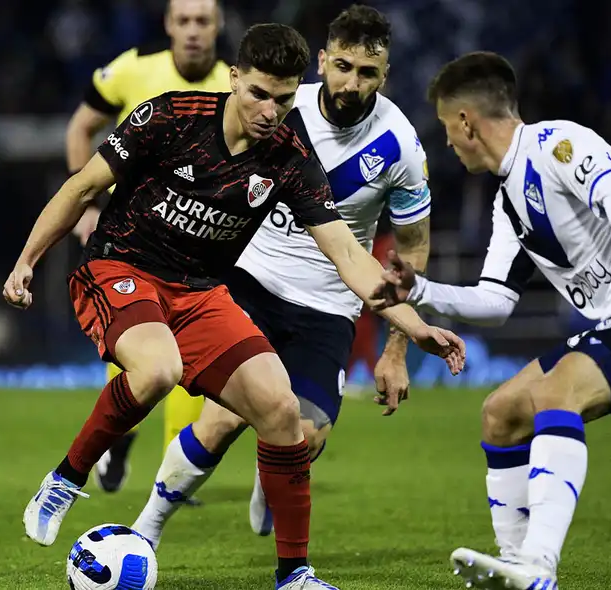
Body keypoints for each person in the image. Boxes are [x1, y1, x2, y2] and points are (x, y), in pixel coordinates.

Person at [3, 24, 464, 589]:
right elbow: (79, 189)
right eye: (259, 95)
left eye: (284, 99)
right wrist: (27, 260)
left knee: (280, 410)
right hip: (122, 267)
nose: (271, 111)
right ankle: (67, 479)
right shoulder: (170, 117)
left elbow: (348, 251)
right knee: (159, 370)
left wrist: (415, 327)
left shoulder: (290, 158)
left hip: (199, 291)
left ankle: (293, 576)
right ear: (234, 79)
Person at [372, 51, 611, 589]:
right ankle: (516, 565)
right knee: (501, 412)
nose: (444, 141)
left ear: (466, 122)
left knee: (556, 395)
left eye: (445, 127)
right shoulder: (508, 201)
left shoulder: (560, 144)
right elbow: (496, 301)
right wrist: (420, 290)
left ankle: (539, 564)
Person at [128, 4, 432, 546]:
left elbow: (412, 248)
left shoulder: (402, 147)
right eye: (342, 66)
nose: (351, 83)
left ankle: (272, 477)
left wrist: (396, 350)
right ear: (322, 60)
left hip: (333, 305)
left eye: (367, 73)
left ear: (386, 76)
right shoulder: (279, 111)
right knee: (223, 420)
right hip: (254, 283)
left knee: (306, 435)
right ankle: (146, 528)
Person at [64, 0, 231, 495]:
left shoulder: (236, 84)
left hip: (201, 248)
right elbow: (80, 127)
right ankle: (121, 439)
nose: (194, 31)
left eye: (203, 21)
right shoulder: (133, 69)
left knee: (192, 362)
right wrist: (87, 205)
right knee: (143, 362)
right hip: (130, 245)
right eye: (184, 21)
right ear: (168, 25)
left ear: (219, 27)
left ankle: (169, 470)